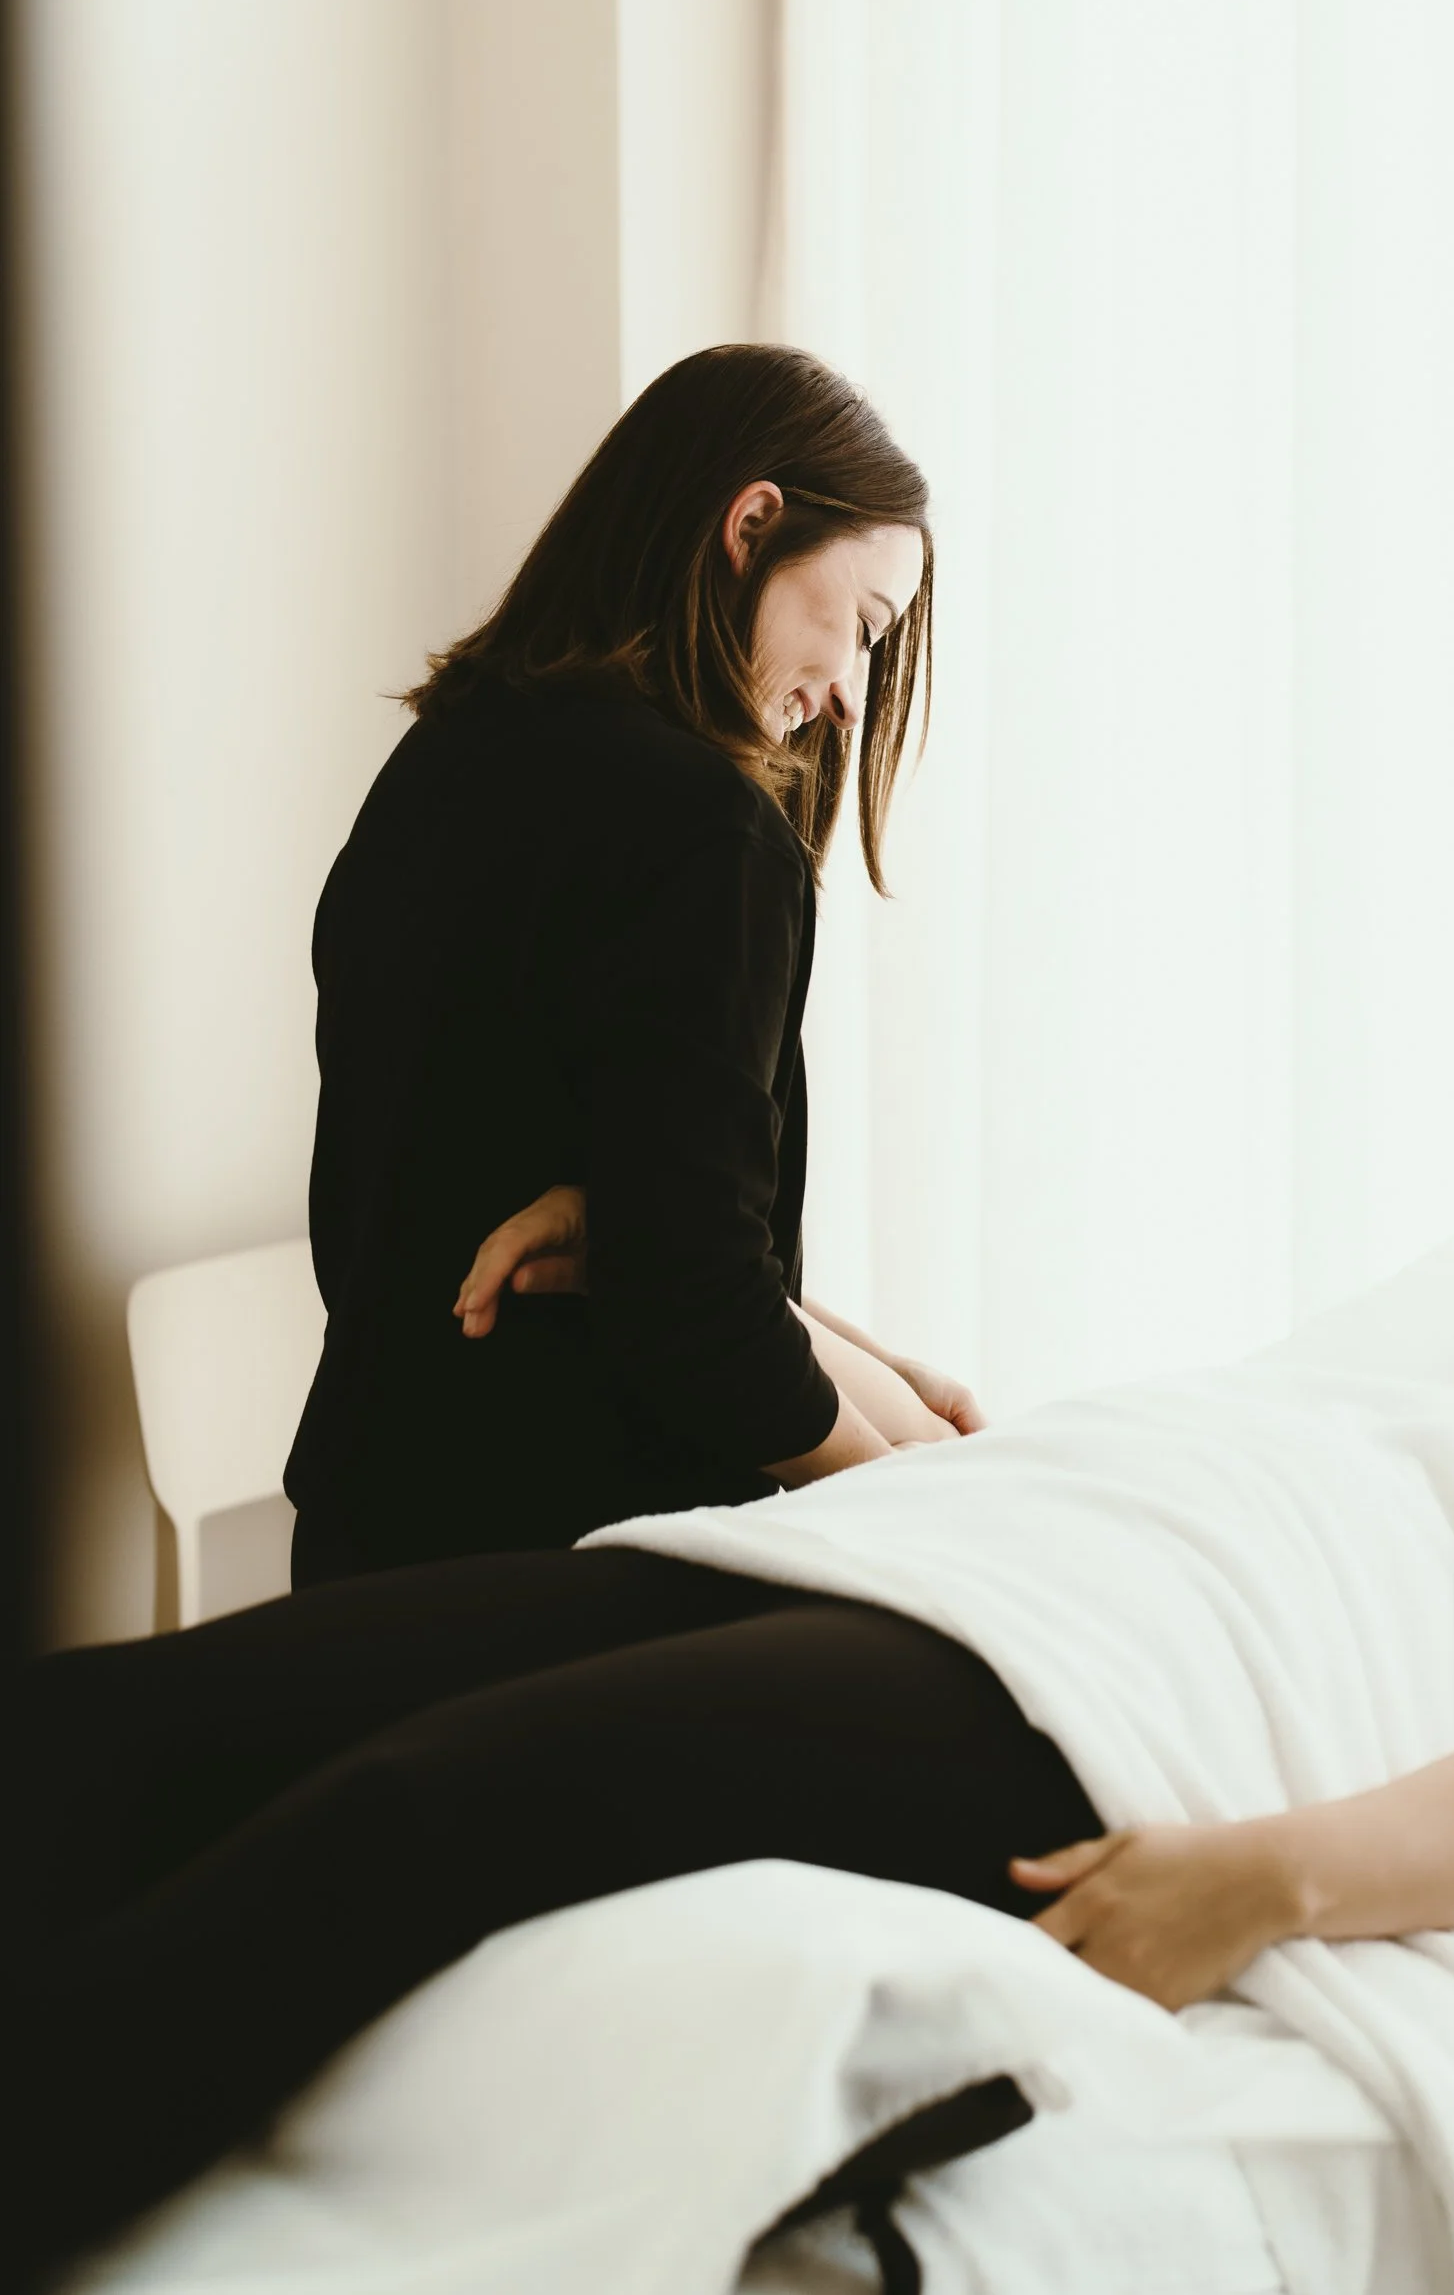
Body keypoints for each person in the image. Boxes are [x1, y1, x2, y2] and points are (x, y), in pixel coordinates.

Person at [20, 1292, 1454, 2265]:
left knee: (417, 1813)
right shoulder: (1312, 1408)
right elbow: (975, 1452)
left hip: (1038, 1689)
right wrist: (712, 1268)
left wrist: (1262, 1879)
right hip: (836, 1557)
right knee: (140, 1718)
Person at [283, 343, 978, 1586]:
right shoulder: (708, 830)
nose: (847, 695)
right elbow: (697, 1300)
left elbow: (650, 1229)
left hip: (366, 1543)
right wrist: (925, 1499)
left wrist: (870, 1372)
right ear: (751, 524)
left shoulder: (440, 762)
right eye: (864, 627)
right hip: (577, 1570)